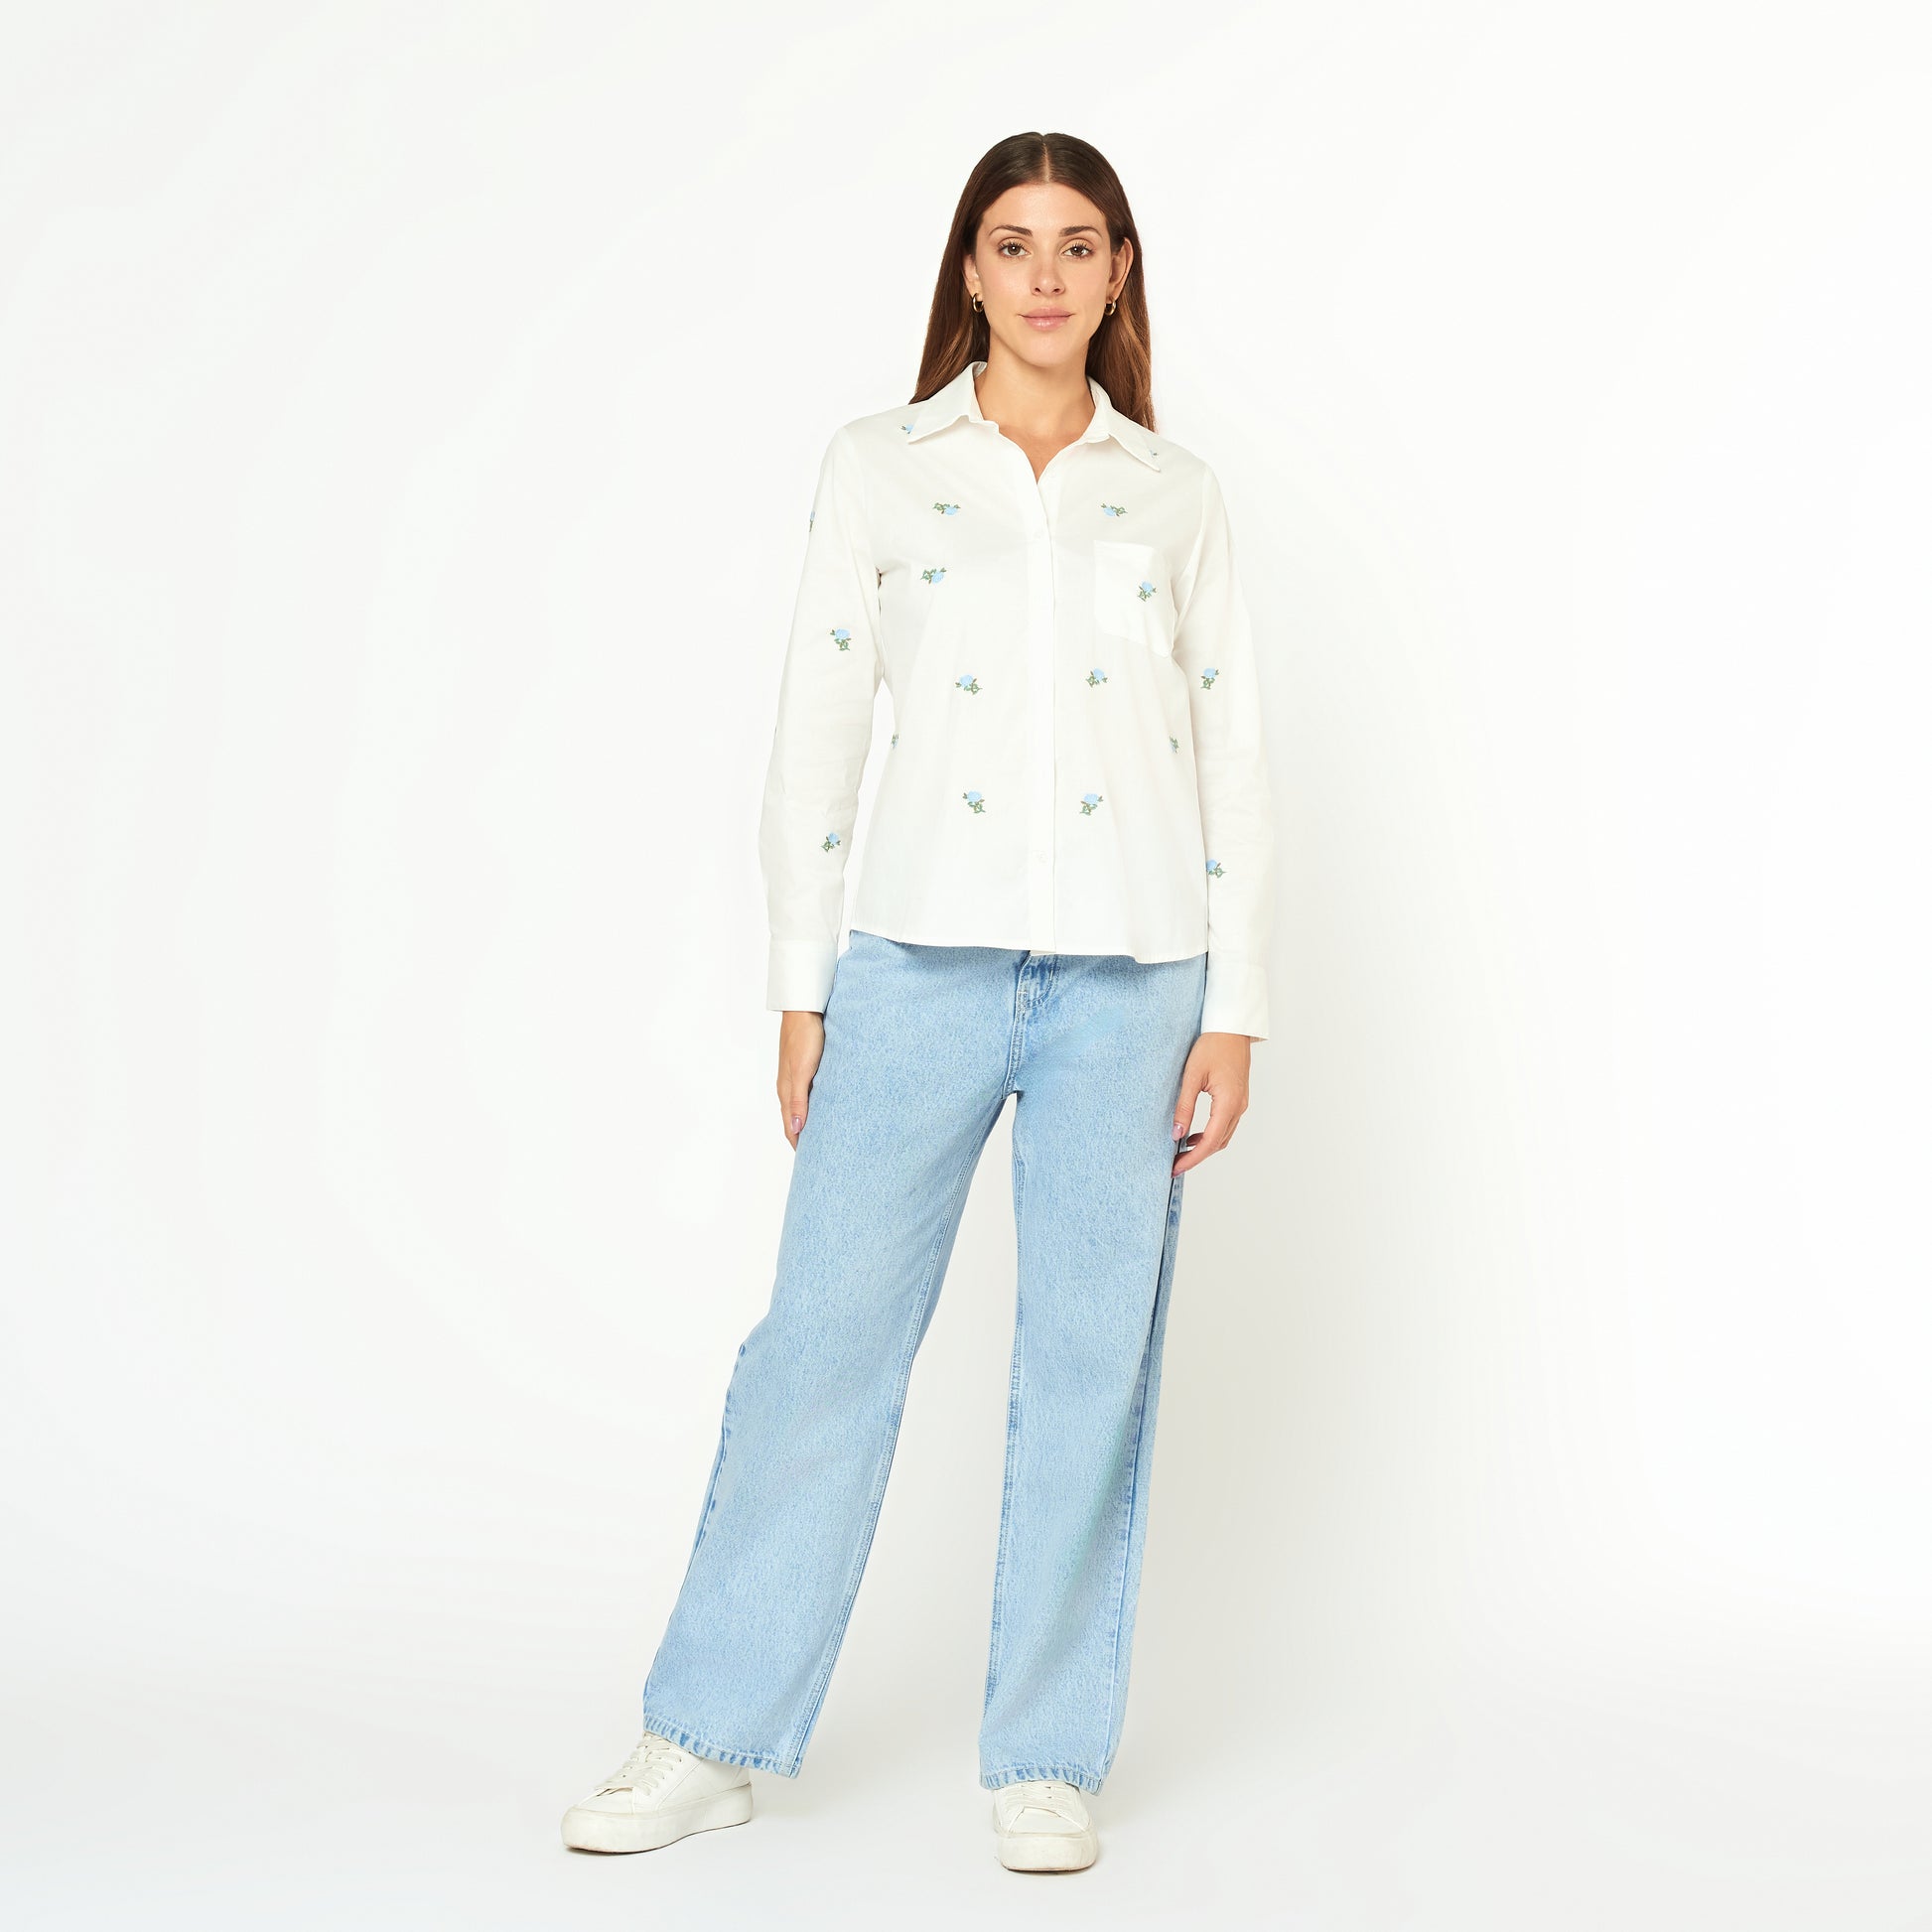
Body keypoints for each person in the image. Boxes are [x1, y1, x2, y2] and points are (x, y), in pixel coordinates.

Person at [561, 129, 1275, 1874]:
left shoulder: (1171, 493)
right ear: (968, 267)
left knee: (1089, 1364)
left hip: (1132, 977)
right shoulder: (879, 468)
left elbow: (1232, 752)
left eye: (1078, 244)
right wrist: (800, 983)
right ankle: (706, 1731)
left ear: (1118, 272)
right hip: (914, 957)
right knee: (820, 1342)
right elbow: (816, 730)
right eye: (1013, 242)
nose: (1045, 275)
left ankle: (1045, 1753)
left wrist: (1234, 1002)